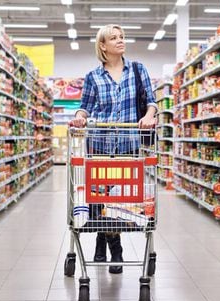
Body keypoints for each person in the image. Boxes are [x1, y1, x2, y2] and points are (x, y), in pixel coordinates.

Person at [70, 24, 157, 273]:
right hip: (98, 146)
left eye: (122, 37)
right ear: (103, 46)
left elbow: (151, 102)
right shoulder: (92, 77)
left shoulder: (138, 70)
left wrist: (150, 115)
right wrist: (79, 118)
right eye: (113, 38)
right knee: (99, 200)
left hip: (128, 147)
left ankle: (106, 242)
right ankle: (113, 243)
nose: (120, 41)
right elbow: (84, 107)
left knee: (120, 200)